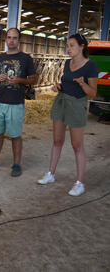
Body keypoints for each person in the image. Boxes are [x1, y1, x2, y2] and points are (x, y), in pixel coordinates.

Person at [37, 33, 98, 196]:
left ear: (81, 47)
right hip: (62, 102)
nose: (68, 48)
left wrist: (82, 83)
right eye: (67, 45)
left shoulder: (90, 66)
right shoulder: (66, 63)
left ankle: (80, 183)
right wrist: (58, 87)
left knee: (77, 145)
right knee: (57, 140)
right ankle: (50, 174)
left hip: (77, 105)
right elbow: (65, 84)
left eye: (71, 45)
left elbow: (92, 93)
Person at [0, 28, 37, 177]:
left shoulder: (26, 58)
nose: (11, 40)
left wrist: (20, 80)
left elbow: (34, 79)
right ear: (5, 39)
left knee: (15, 135)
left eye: (15, 38)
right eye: (9, 37)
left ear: (19, 40)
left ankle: (17, 164)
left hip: (16, 103)